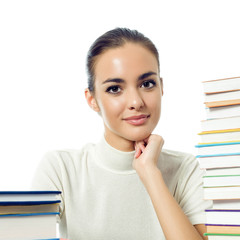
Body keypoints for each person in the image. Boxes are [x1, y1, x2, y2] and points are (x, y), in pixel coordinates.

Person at [32, 27, 212, 240]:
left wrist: (150, 174)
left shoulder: (185, 169)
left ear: (161, 87)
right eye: (115, 89)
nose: (136, 102)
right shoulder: (61, 168)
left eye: (147, 84)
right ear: (92, 100)